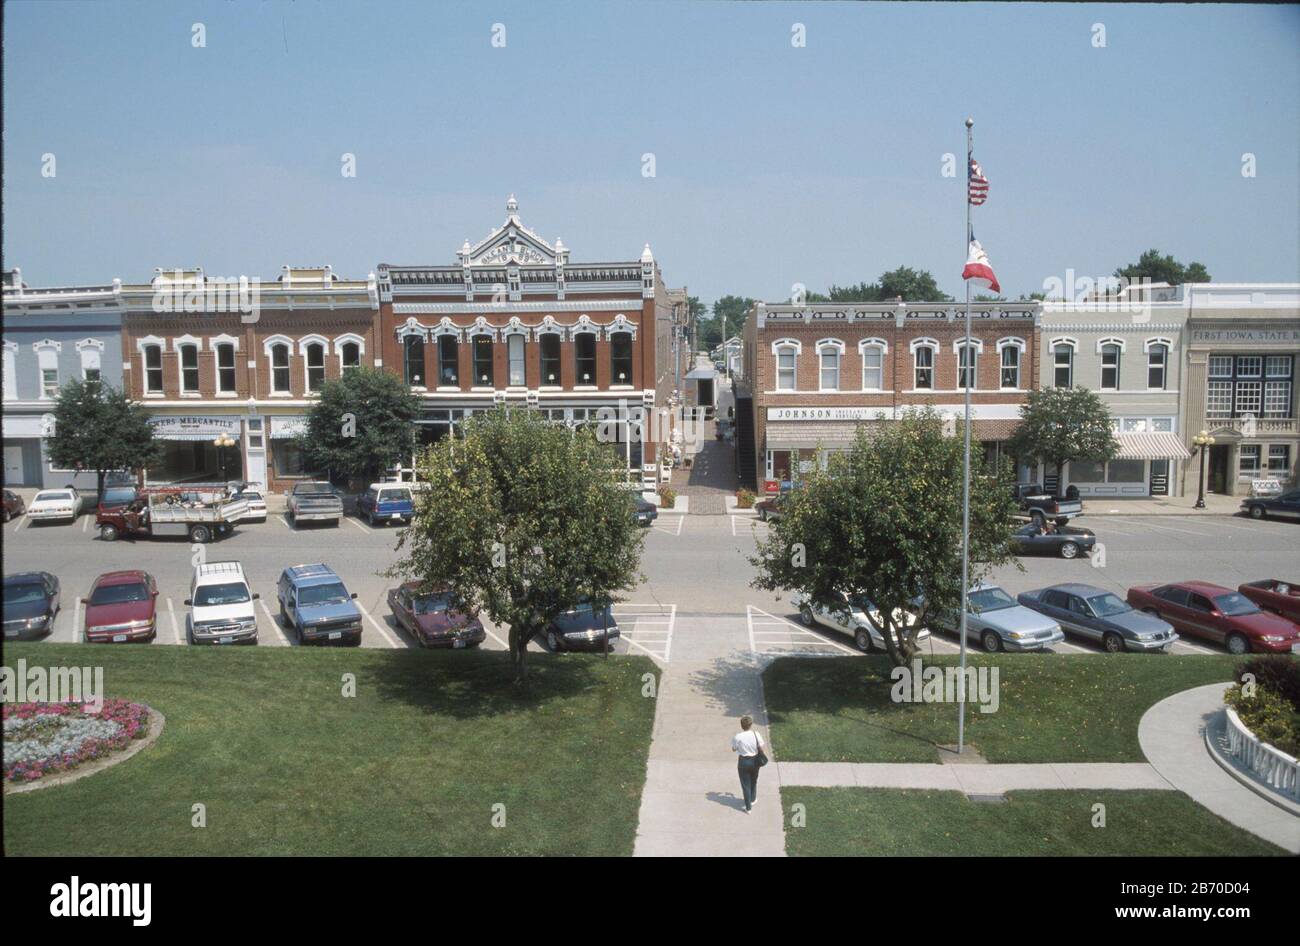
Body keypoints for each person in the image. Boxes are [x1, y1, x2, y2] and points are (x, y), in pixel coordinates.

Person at [730, 715, 766, 813]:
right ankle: (753, 799)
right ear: (750, 725)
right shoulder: (756, 734)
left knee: (745, 784)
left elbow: (733, 749)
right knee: (754, 780)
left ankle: (748, 807)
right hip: (755, 761)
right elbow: (762, 748)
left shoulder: (738, 737)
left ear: (741, 725)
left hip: (743, 762)